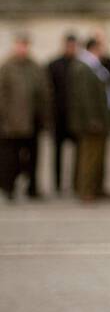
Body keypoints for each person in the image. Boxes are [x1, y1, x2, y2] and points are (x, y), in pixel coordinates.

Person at [0, 32, 51, 201]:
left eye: (25, 45)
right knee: (10, 159)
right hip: (11, 122)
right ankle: (9, 187)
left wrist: (45, 117)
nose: (23, 48)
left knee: (33, 158)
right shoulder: (7, 68)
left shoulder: (35, 67)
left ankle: (32, 188)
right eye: (20, 44)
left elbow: (44, 93)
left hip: (32, 120)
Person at [67, 37, 110, 203]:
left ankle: (96, 187)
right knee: (89, 157)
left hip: (101, 118)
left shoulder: (94, 66)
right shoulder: (84, 67)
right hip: (91, 121)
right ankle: (86, 189)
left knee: (98, 156)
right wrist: (93, 119)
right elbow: (85, 97)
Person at [47, 32, 80, 194]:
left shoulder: (80, 65)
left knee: (79, 152)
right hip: (59, 116)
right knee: (58, 152)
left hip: (76, 116)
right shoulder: (54, 65)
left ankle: (77, 182)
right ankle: (58, 183)